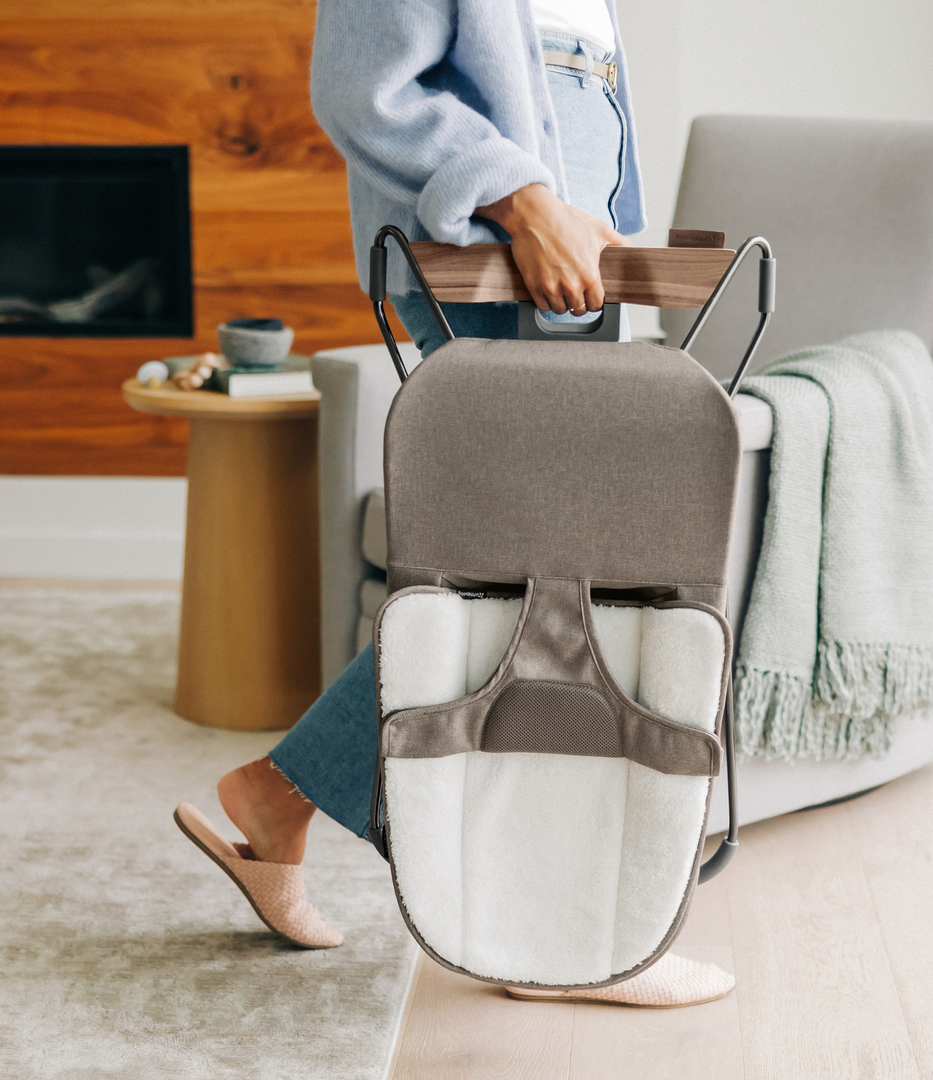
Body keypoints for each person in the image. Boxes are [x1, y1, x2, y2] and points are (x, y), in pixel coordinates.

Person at [174, 0, 736, 1008]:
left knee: (531, 585)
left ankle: (282, 798)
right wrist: (527, 202)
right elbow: (365, 85)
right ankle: (556, 940)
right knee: (555, 584)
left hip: (562, 253)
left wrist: (580, 206)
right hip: (493, 253)